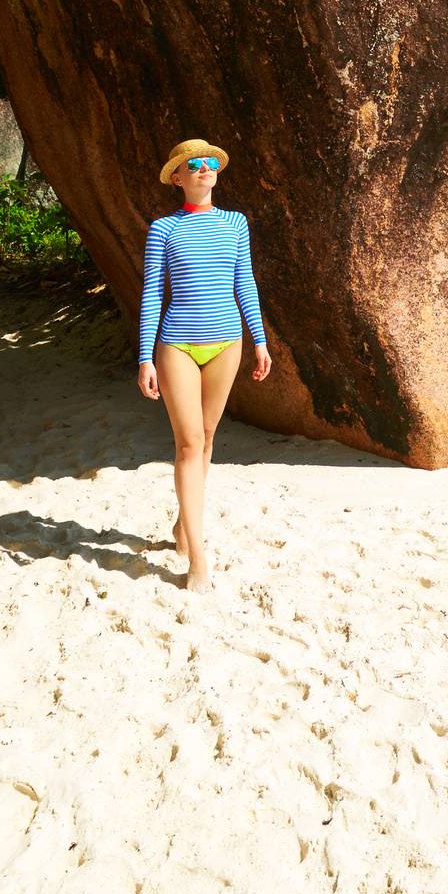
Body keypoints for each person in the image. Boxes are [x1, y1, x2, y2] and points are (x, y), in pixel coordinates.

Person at [136, 139, 272, 591]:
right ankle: (198, 556)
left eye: (210, 163)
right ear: (177, 177)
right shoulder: (163, 230)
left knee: (209, 436)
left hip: (227, 344)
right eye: (193, 165)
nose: (204, 169)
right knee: (189, 442)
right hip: (176, 346)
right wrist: (144, 357)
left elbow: (245, 283)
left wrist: (260, 340)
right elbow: (153, 293)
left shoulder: (235, 223)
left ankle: (183, 522)